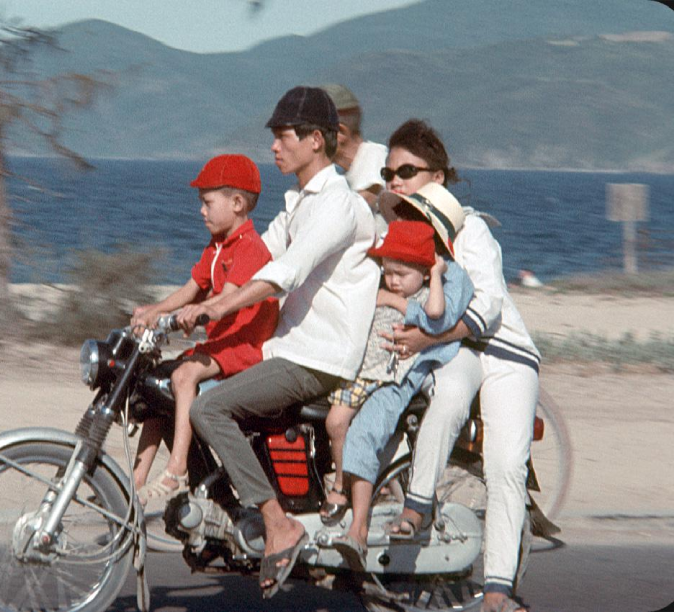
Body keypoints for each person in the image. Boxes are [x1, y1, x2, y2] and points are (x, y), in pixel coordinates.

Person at [177, 86, 379, 599]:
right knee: (188, 384)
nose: (274, 146)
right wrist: (179, 303)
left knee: (211, 410)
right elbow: (255, 257)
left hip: (318, 356)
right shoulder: (297, 204)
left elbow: (285, 272)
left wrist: (219, 307)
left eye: (282, 135)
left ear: (315, 140)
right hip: (286, 347)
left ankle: (278, 523)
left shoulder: (337, 206)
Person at [380, 119, 541, 612]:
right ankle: (416, 507)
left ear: (440, 177)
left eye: (407, 170)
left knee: (506, 467)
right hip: (463, 351)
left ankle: (496, 590)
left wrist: (426, 334)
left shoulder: (470, 231)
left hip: (506, 354)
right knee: (446, 398)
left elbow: (487, 306)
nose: (395, 181)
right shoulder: (406, 233)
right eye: (389, 173)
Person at [129, 154, 279, 504]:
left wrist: (199, 312)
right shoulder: (216, 247)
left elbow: (221, 301)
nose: (201, 211)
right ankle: (135, 480)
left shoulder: (250, 248)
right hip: (221, 344)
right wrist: (154, 310)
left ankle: (177, 469)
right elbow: (191, 288)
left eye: (208, 202)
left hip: (243, 346)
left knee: (183, 377)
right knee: (156, 385)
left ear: (237, 203)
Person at [321, 217, 473, 528]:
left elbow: (435, 315)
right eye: (388, 273)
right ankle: (340, 483)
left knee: (356, 428)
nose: (393, 281)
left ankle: (345, 497)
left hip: (388, 377)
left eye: (402, 274)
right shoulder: (381, 288)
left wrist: (433, 273)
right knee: (333, 421)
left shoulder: (418, 300)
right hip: (363, 370)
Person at [320, 83, 389, 233]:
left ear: (340, 132)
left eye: (315, 132)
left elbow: (363, 202)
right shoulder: (356, 170)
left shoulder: (374, 158)